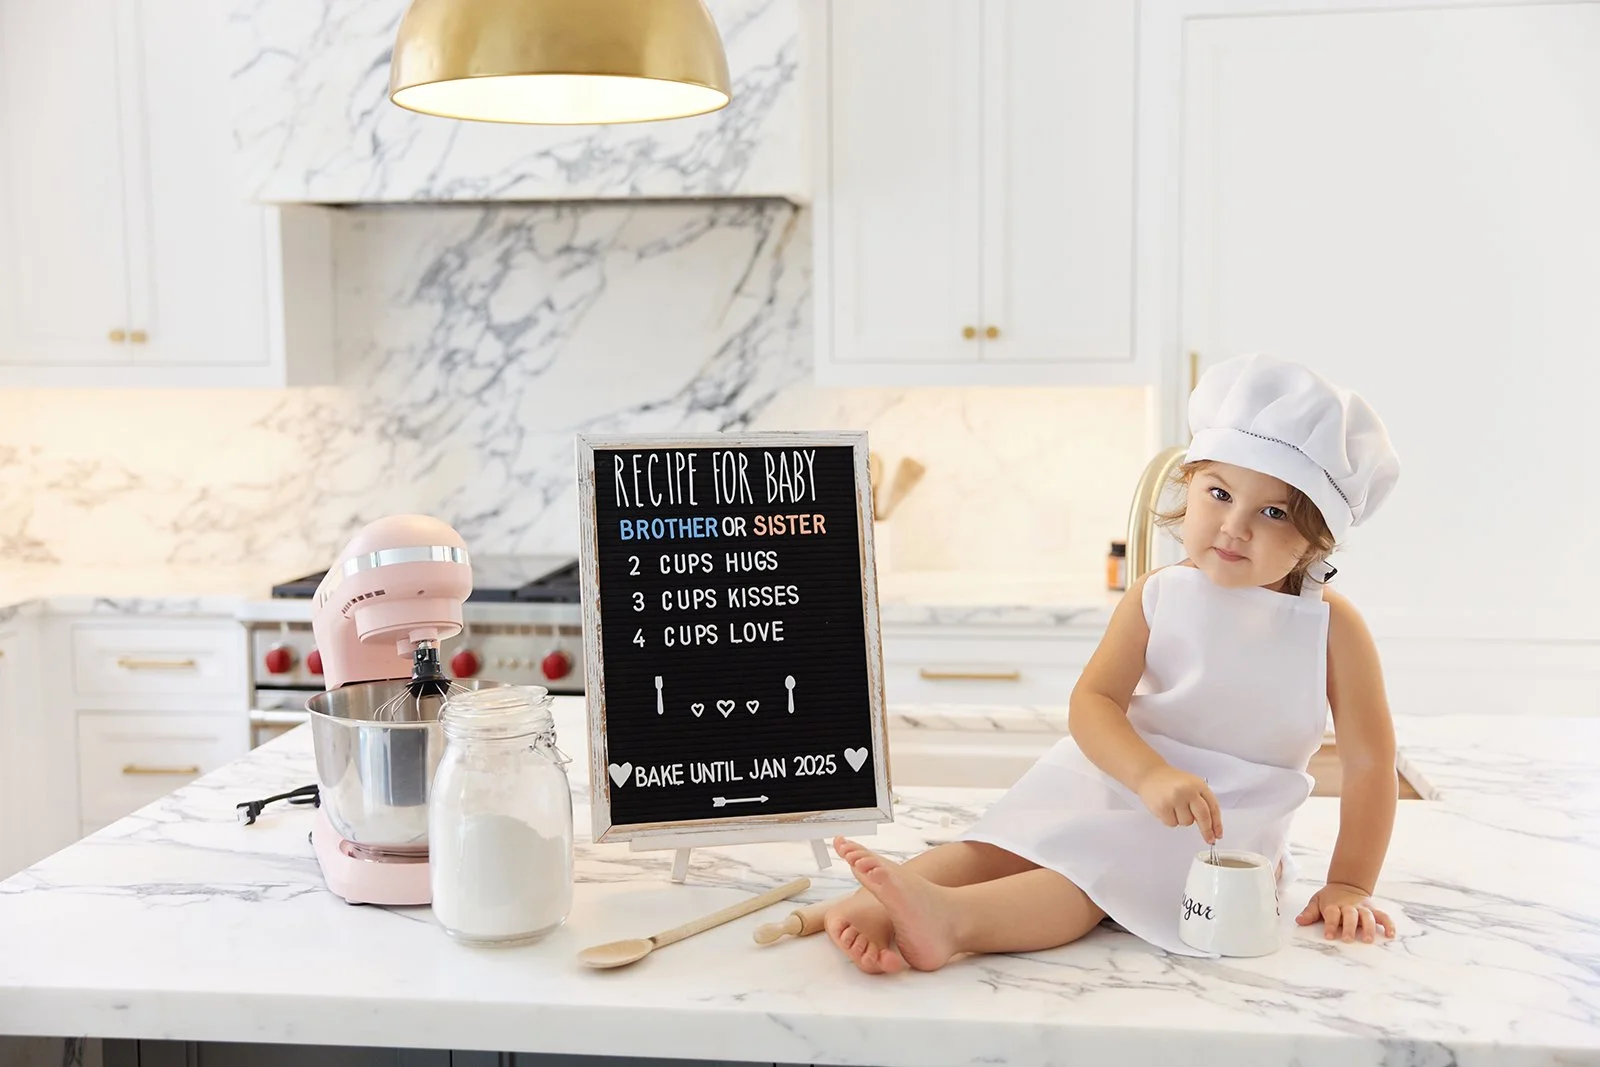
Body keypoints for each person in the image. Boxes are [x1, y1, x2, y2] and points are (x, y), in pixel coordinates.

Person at [827, 353, 1404, 974]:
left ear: (1318, 538)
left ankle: (951, 922)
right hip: (1120, 771)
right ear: (1190, 488)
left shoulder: (1330, 627)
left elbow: (1372, 763)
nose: (1234, 527)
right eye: (1219, 493)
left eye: (1273, 513)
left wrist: (1350, 882)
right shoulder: (1159, 592)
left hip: (1221, 817)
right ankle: (876, 903)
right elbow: (1094, 702)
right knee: (1006, 844)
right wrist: (1148, 774)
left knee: (1090, 880)